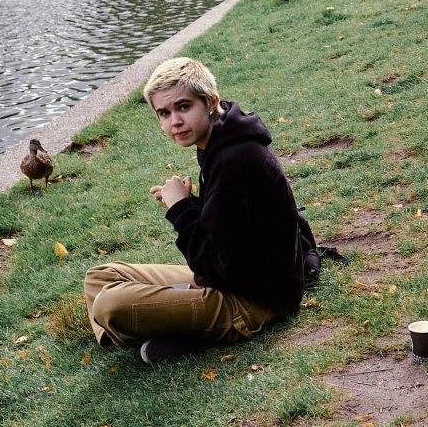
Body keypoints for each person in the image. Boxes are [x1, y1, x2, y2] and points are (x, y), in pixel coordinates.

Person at [83, 56, 315, 364]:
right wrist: (191, 204)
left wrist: (181, 209)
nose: (175, 121)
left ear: (211, 102)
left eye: (183, 107)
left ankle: (171, 331)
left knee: (110, 305)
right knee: (100, 277)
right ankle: (156, 329)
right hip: (230, 281)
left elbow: (217, 266)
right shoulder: (221, 139)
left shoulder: (233, 160)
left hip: (255, 301)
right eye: (164, 113)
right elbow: (228, 230)